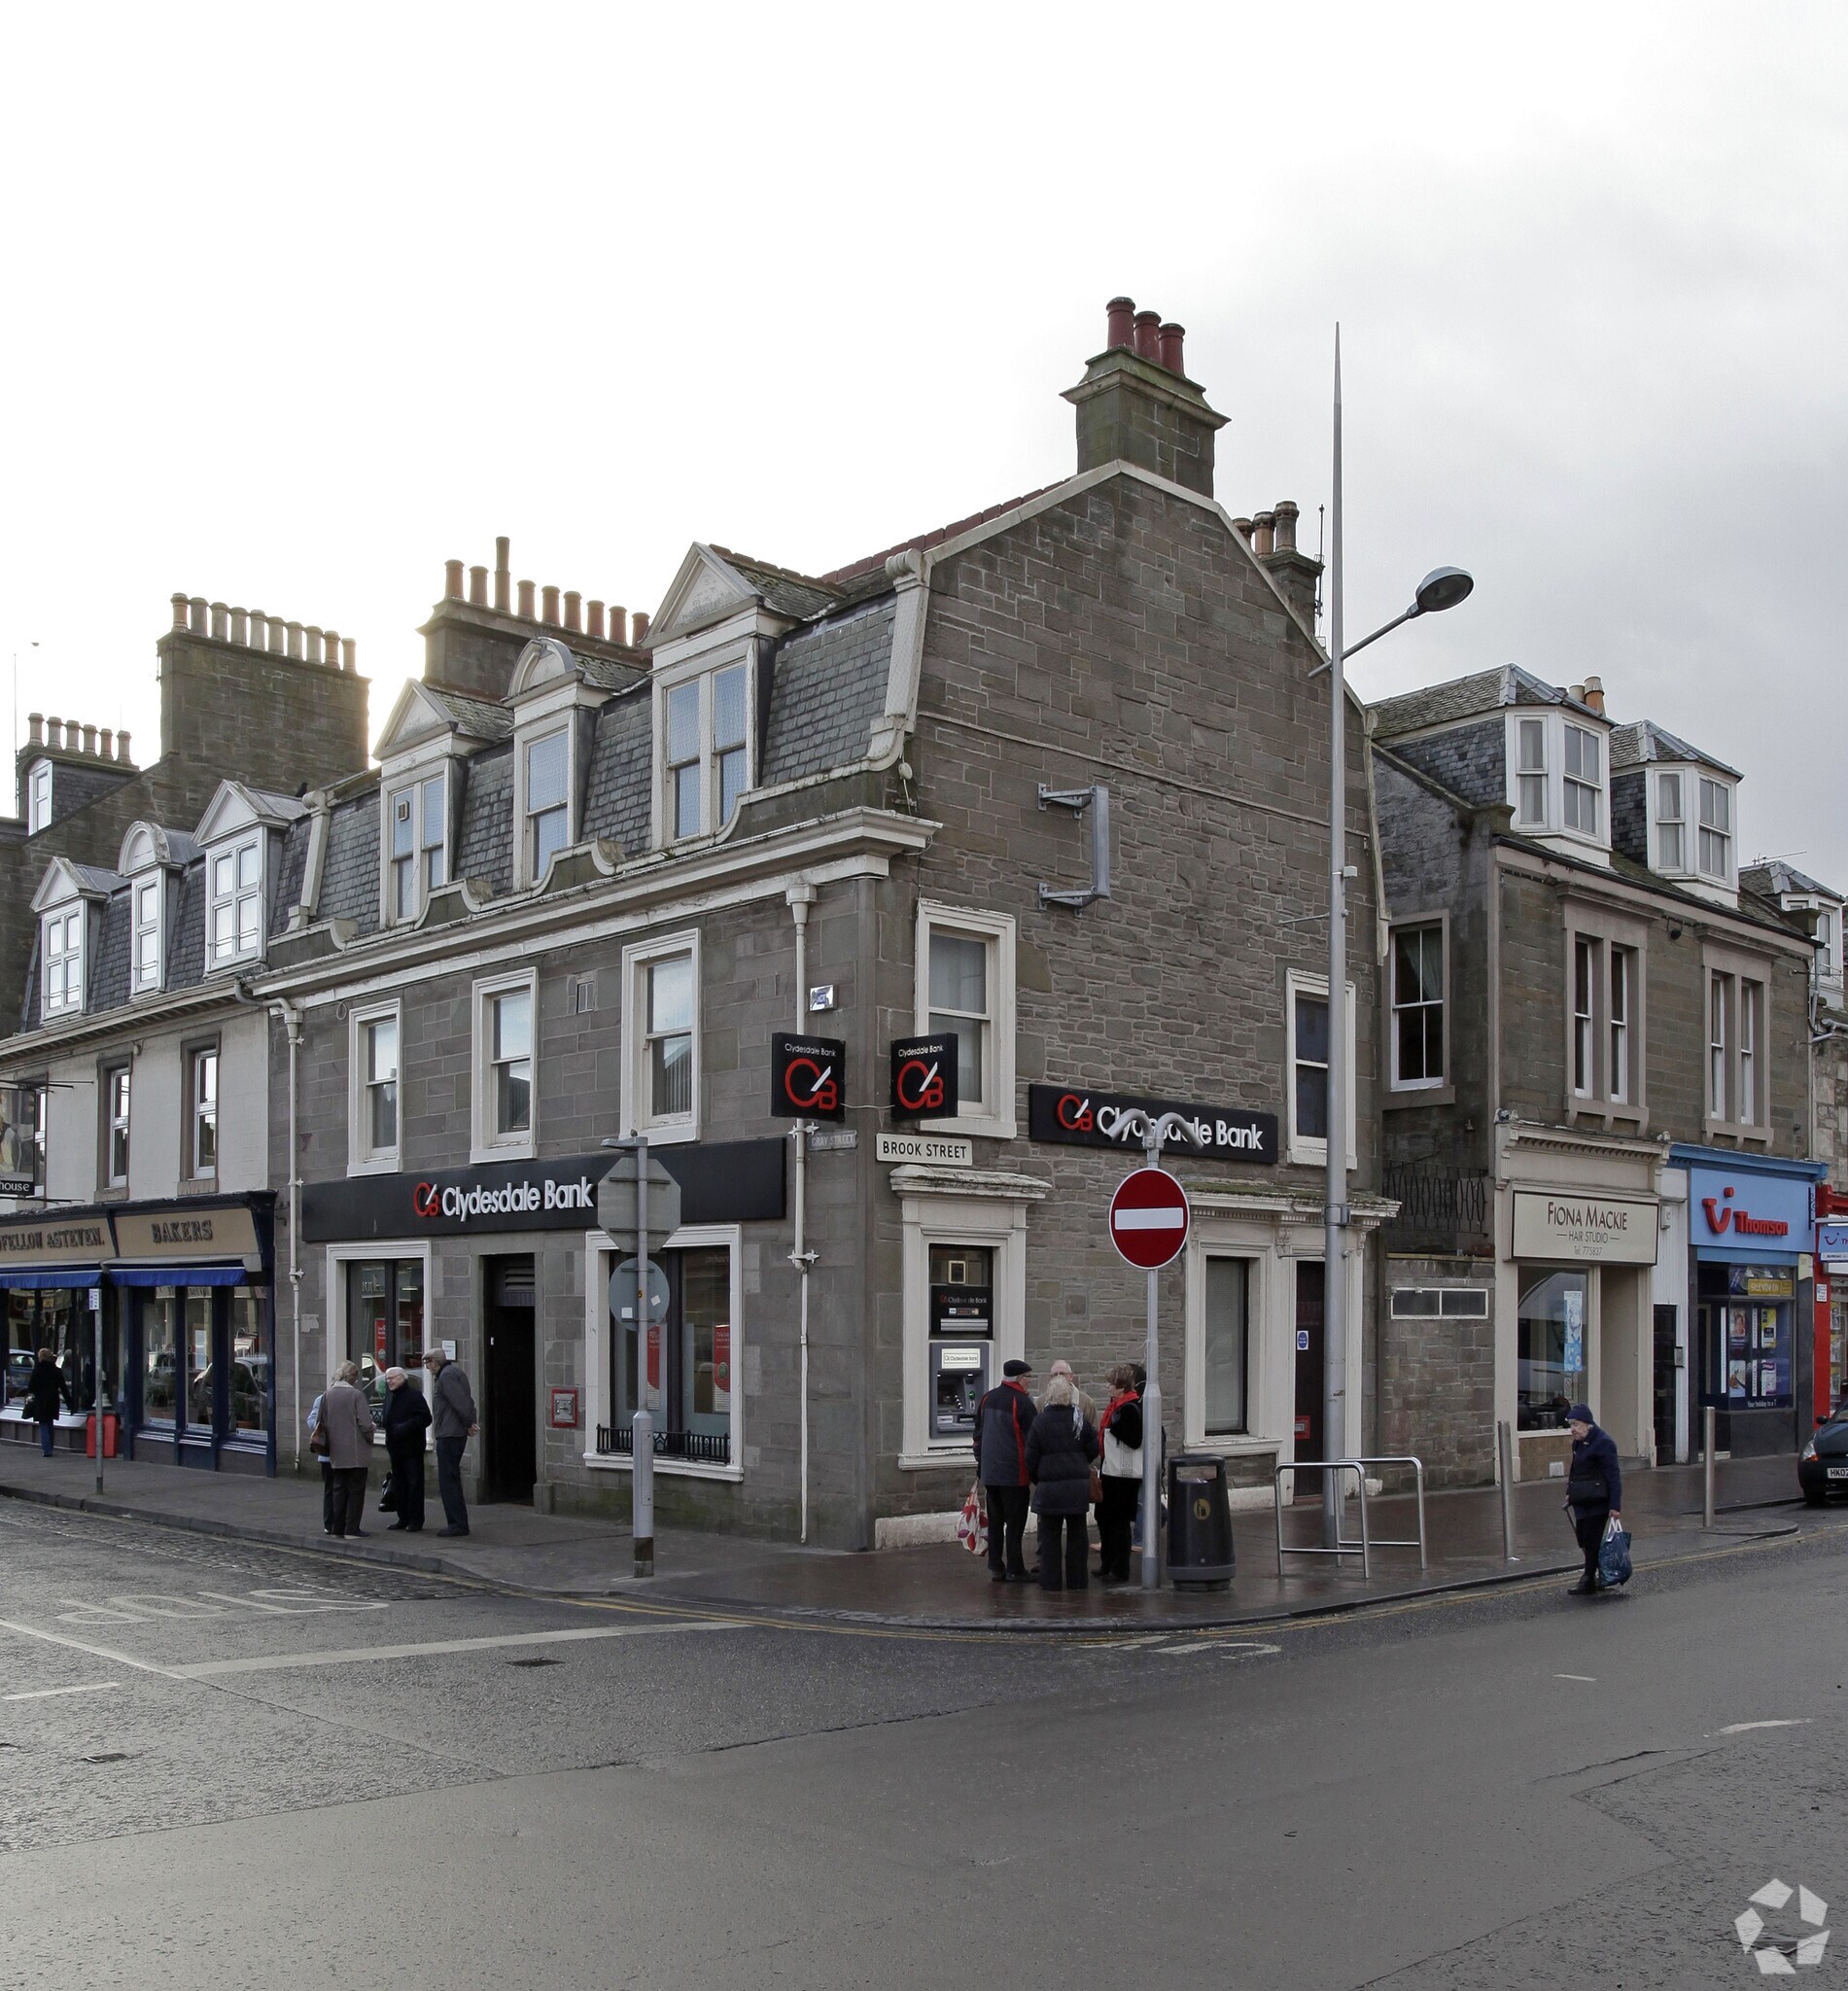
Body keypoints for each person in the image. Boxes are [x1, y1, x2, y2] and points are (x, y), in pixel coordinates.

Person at [1025, 1373, 1099, 1592]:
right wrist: (1080, 1462)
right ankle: (1077, 1581)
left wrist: (1039, 1479)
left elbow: (1030, 1457)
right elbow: (1093, 1447)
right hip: (1076, 1486)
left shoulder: (1040, 1421)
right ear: (1069, 1396)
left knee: (1049, 1537)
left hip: (1049, 1487)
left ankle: (1051, 1581)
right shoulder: (1078, 1417)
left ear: (1049, 1396)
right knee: (1078, 1535)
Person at [973, 1357, 1037, 1582]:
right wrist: (1034, 1472)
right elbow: (1032, 1442)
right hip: (1014, 1474)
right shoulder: (1023, 1403)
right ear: (1020, 1378)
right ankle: (1015, 1569)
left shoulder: (987, 1398)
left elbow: (978, 1437)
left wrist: (981, 1464)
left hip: (991, 1473)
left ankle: (995, 1566)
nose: (1029, 1382)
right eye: (1028, 1377)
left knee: (996, 1521)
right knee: (1015, 1524)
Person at [1564, 1402, 1622, 1596]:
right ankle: (1602, 1574)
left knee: (1592, 1540)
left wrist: (1615, 1506)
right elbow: (1575, 1471)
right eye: (1571, 1425)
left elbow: (1613, 1476)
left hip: (1598, 1500)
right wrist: (1569, 1492)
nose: (1572, 1429)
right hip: (1581, 1499)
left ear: (1588, 1424)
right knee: (1583, 1538)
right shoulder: (1578, 1443)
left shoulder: (1604, 1442)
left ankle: (1588, 1578)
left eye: (1576, 1425)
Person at [1095, 1362, 1143, 1582]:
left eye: (1111, 1384)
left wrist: (1114, 1428)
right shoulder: (1117, 1406)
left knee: (1119, 1522)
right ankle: (1107, 1564)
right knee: (1104, 1518)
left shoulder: (1130, 1408)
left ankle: (1119, 1568)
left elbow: (1134, 1440)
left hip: (1123, 1476)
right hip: (1111, 1471)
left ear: (1122, 1387)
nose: (1108, 1388)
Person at [424, 1348, 478, 1538]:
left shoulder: (446, 1376)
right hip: (453, 1431)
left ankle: (457, 1524)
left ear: (435, 1362)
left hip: (449, 1433)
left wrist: (469, 1423)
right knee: (451, 1478)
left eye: (428, 1362)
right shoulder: (455, 1373)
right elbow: (467, 1401)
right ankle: (458, 1523)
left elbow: (461, 1403)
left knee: (448, 1480)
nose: (427, 1367)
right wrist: (470, 1422)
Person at [321, 1360, 376, 1539]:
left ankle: (337, 1529)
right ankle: (352, 1529)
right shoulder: (356, 1396)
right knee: (356, 1490)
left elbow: (319, 1422)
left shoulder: (327, 1394)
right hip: (356, 1451)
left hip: (336, 1451)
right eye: (356, 1376)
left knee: (339, 1489)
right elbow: (365, 1424)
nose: (357, 1380)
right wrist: (371, 1437)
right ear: (350, 1377)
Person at [382, 1365, 433, 1533]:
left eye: (392, 1378)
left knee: (414, 1484)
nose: (389, 1381)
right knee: (399, 1484)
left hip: (412, 1448)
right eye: (387, 1378)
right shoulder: (389, 1396)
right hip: (395, 1448)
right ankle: (402, 1518)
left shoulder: (414, 1396)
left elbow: (425, 1418)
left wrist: (405, 1427)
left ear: (402, 1378)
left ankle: (416, 1520)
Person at [26, 1346, 62, 1457]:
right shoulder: (56, 1370)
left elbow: (31, 1387)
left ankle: (47, 1449)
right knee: (50, 1423)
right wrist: (70, 1401)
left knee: (43, 1424)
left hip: (41, 1400)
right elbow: (63, 1386)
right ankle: (50, 1446)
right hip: (53, 1400)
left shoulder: (37, 1370)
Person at [306, 1389, 333, 1532]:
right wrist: (323, 1426)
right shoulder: (322, 1399)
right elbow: (311, 1421)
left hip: (346, 1453)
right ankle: (329, 1523)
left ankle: (342, 1522)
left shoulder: (355, 1397)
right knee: (330, 1489)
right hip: (327, 1454)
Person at [1047, 1359, 1098, 1423]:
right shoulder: (1041, 1402)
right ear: (1051, 1378)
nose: (1059, 1378)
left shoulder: (1087, 1403)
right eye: (1055, 1375)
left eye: (1062, 1374)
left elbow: (1093, 1430)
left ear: (1071, 1376)